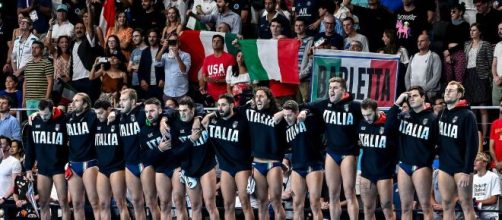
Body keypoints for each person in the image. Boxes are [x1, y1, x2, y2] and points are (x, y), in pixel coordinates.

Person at [298, 77, 361, 220]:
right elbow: (306, 105)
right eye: (330, 87)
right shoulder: (324, 105)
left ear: (343, 90)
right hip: (332, 153)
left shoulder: (354, 106)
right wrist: (305, 112)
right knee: (332, 194)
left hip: (348, 153)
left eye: (335, 88)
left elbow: (371, 115)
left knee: (349, 192)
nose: (331, 90)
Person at [201, 94, 254, 220]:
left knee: (245, 203)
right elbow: (197, 118)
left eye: (223, 105)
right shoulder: (213, 121)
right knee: (227, 204)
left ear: (231, 105)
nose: (220, 108)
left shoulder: (242, 119)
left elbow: (245, 107)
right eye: (218, 105)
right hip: (225, 167)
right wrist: (209, 115)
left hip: (242, 166)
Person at [389, 86, 438, 220]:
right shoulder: (404, 116)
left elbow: (438, 143)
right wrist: (396, 104)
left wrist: (428, 157)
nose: (411, 98)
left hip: (421, 166)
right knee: (405, 207)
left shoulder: (432, 118)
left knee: (426, 206)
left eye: (415, 95)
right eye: (409, 96)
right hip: (404, 164)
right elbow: (388, 128)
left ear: (423, 97)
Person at [167, 96, 219, 220]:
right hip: (189, 168)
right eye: (180, 111)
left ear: (192, 110)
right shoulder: (175, 124)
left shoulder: (202, 119)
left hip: (206, 166)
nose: (182, 114)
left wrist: (201, 117)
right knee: (195, 205)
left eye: (185, 111)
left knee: (210, 204)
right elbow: (176, 153)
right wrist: (191, 140)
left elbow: (219, 111)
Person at [239, 87, 287, 220]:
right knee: (261, 202)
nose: (258, 99)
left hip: (273, 163)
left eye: (261, 96)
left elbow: (294, 108)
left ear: (269, 99)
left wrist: (283, 112)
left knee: (276, 202)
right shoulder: (250, 112)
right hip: (257, 162)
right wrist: (249, 103)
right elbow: (237, 110)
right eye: (256, 97)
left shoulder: (277, 115)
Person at [273, 100, 324, 220]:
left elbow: (318, 107)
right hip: (296, 166)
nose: (287, 118)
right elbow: (274, 118)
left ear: (296, 113)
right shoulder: (285, 125)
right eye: (285, 115)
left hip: (313, 165)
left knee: (314, 204)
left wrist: (304, 111)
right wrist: (283, 113)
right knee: (297, 204)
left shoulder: (309, 119)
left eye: (289, 115)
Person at [140, 97, 188, 220]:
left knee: (179, 202)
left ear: (160, 110)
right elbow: (145, 157)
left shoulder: (170, 121)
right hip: (160, 169)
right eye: (146, 111)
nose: (149, 114)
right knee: (164, 204)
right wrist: (159, 149)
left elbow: (175, 110)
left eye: (152, 111)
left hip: (177, 166)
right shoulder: (144, 131)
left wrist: (164, 119)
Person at [117, 88, 161, 220]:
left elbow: (160, 115)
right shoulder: (119, 117)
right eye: (120, 100)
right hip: (129, 163)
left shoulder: (142, 114)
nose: (121, 103)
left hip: (145, 162)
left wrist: (164, 120)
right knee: (136, 202)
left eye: (124, 100)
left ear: (133, 101)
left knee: (151, 201)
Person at [437, 81, 479, 220]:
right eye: (446, 89)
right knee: (447, 204)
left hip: (462, 167)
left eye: (452, 90)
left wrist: (467, 171)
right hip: (445, 166)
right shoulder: (442, 113)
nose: (447, 92)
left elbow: (472, 145)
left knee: (466, 204)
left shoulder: (467, 115)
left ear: (460, 95)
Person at [24, 99, 70, 220]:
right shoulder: (34, 121)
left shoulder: (63, 120)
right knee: (43, 203)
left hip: (59, 166)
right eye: (41, 114)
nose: (44, 117)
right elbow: (30, 146)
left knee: (63, 202)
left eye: (47, 114)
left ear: (52, 110)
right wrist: (28, 167)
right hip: (43, 168)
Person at [357, 98, 397, 220]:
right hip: (367, 172)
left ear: (376, 110)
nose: (367, 118)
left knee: (387, 208)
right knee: (367, 209)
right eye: (364, 115)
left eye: (369, 114)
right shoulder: (362, 124)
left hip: (384, 172)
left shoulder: (388, 124)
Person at [93, 99, 130, 220]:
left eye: (101, 113)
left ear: (109, 110)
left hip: (117, 166)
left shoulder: (118, 120)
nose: (98, 116)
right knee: (103, 204)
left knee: (120, 204)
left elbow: (129, 111)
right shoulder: (96, 122)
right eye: (97, 113)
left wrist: (116, 112)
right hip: (102, 168)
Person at [66, 93, 100, 219]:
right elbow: (50, 113)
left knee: (95, 202)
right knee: (76, 203)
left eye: (77, 101)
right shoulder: (68, 117)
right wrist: (36, 114)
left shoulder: (92, 115)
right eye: (73, 100)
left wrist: (113, 113)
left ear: (85, 104)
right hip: (73, 164)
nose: (73, 103)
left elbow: (106, 112)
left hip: (89, 162)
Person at [464, 23, 492, 139]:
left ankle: (485, 137)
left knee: (483, 108)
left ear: (479, 32)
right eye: (471, 30)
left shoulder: (485, 44)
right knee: (472, 109)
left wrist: (488, 77)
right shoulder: (467, 45)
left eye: (474, 30)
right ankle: (474, 136)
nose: (472, 32)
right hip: (469, 77)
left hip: (481, 77)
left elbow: (490, 62)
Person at [69, 3, 101, 103]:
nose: (79, 30)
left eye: (81, 28)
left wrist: (88, 7)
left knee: (90, 104)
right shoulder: (72, 44)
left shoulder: (88, 41)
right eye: (77, 28)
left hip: (88, 78)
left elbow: (90, 27)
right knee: (77, 106)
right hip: (75, 80)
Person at [155, 32, 191, 101]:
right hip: (168, 92)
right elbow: (156, 62)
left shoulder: (186, 55)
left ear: (179, 43)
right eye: (170, 41)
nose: (172, 43)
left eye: (174, 41)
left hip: (182, 92)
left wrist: (177, 55)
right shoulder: (165, 55)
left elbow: (184, 70)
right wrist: (163, 48)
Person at [405, 33, 442, 100]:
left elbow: (436, 77)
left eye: (422, 41)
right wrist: (409, 89)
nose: (419, 43)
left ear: (428, 42)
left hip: (428, 95)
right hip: (412, 95)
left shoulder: (434, 57)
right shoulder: (413, 57)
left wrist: (422, 90)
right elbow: (407, 76)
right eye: (418, 41)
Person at [200, 35, 235, 103]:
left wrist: (217, 81)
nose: (215, 43)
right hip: (210, 97)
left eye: (218, 41)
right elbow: (204, 76)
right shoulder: (207, 59)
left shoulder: (230, 58)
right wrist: (202, 86)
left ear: (223, 44)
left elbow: (233, 78)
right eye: (214, 41)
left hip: (225, 96)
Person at [443, 2, 469, 84]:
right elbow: (445, 41)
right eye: (451, 12)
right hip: (447, 54)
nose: (451, 14)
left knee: (459, 80)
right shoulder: (449, 26)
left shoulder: (465, 25)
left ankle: (460, 96)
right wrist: (446, 52)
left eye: (454, 11)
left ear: (460, 12)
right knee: (449, 79)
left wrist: (450, 50)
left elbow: (463, 43)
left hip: (459, 52)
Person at [22, 41, 54, 109]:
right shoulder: (28, 64)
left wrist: (46, 99)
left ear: (42, 50)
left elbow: (50, 82)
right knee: (30, 119)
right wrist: (24, 99)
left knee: (42, 119)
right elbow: (25, 83)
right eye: (32, 48)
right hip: (29, 100)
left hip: (41, 100)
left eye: (36, 48)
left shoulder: (47, 63)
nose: (34, 50)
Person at [472, 152, 500, 220]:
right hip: (475, 215)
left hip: (489, 215)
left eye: (477, 160)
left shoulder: (493, 176)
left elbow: (494, 199)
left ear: (484, 163)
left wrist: (477, 202)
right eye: (474, 160)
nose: (474, 162)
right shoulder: (472, 178)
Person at [138, 29, 165, 100]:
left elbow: (167, 67)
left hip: (160, 85)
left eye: (154, 37)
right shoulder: (145, 52)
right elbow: (140, 69)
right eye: (150, 37)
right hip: (148, 85)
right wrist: (142, 80)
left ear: (158, 38)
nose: (151, 39)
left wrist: (163, 79)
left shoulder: (164, 51)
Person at [47, 35, 72, 105]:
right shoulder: (56, 53)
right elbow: (48, 43)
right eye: (62, 42)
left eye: (66, 42)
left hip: (68, 83)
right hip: (57, 83)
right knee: (57, 104)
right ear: (58, 44)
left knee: (67, 104)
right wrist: (51, 27)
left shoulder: (72, 55)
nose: (64, 44)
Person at [295, 18, 314, 103]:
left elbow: (311, 61)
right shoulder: (292, 41)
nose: (298, 27)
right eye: (296, 25)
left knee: (305, 103)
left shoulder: (311, 41)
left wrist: (301, 75)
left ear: (305, 27)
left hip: (305, 80)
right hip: (293, 80)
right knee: (295, 104)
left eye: (301, 25)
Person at [127, 29, 147, 97]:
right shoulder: (134, 51)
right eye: (133, 36)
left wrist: (137, 67)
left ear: (143, 37)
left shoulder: (149, 50)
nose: (134, 38)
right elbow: (129, 69)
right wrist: (136, 67)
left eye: (136, 36)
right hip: (134, 83)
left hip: (146, 83)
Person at [490, 98, 502, 173]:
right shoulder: (495, 123)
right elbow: (491, 147)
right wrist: (496, 162)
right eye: (501, 105)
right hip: (495, 165)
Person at [493, 22, 502, 105]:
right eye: (498, 29)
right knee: (496, 107)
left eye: (501, 29)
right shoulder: (498, 45)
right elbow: (494, 64)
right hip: (497, 81)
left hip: (500, 79)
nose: (499, 31)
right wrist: (495, 77)